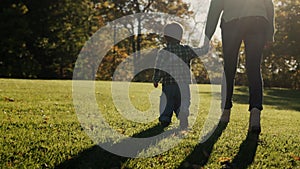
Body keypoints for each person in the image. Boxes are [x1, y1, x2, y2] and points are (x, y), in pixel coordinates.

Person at [205, 0, 275, 133]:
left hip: (232, 22)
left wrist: (207, 37)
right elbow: (268, 4)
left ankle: (225, 113)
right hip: (257, 20)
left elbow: (215, 7)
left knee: (229, 69)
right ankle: (255, 115)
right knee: (254, 68)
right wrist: (270, 32)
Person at [153, 22, 209, 130]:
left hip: (168, 84)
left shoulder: (163, 52)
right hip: (183, 85)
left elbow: (159, 68)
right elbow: (202, 51)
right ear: (180, 37)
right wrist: (207, 43)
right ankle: (183, 114)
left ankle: (165, 119)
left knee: (166, 101)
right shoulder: (186, 50)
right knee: (183, 101)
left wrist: (156, 79)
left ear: (165, 37)